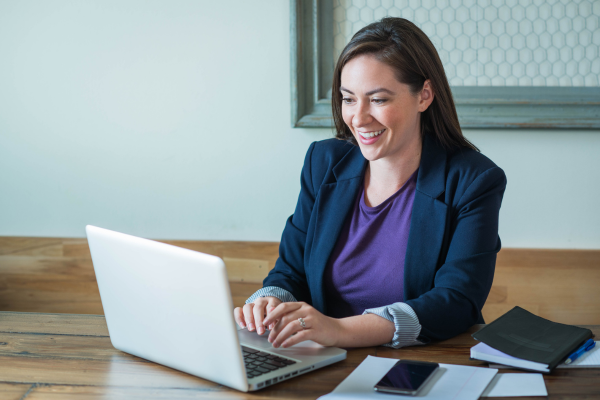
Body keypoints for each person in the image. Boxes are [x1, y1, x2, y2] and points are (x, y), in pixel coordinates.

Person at [233, 18, 506, 349]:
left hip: (423, 366)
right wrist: (269, 300)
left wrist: (340, 330)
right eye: (349, 99)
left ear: (424, 96)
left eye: (378, 99)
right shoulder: (324, 163)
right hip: (322, 363)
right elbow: (291, 270)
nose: (358, 118)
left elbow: (457, 301)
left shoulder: (473, 180)